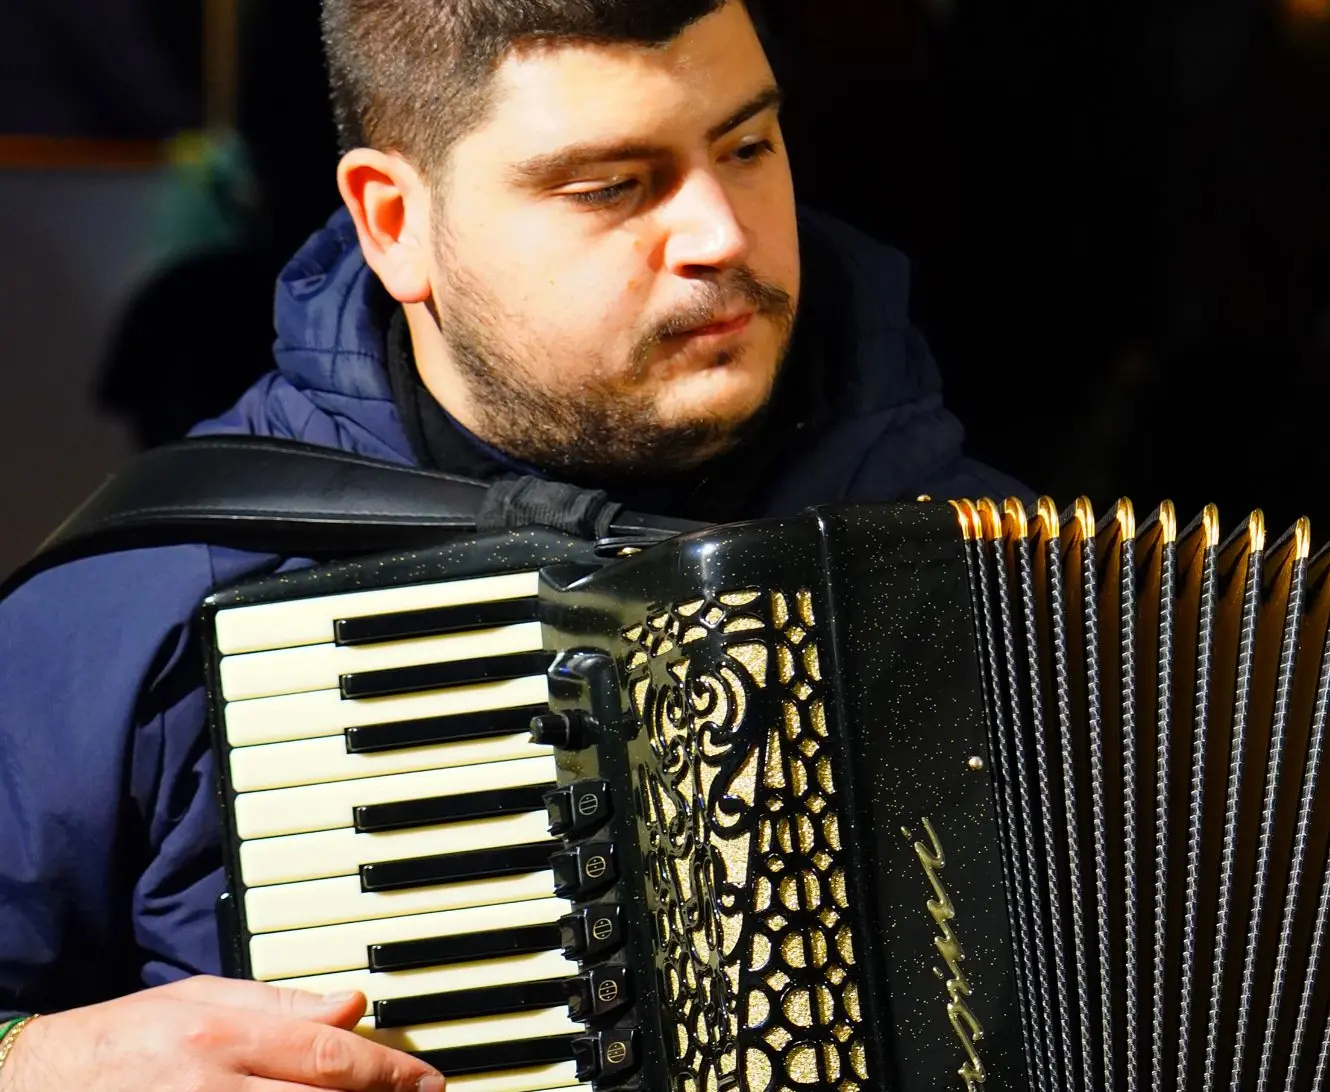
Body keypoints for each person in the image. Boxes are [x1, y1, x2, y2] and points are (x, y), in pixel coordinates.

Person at [0, 1, 1024, 1088]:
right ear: (391, 221)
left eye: (747, 146)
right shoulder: (136, 611)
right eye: (614, 186)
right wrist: (37, 1060)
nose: (722, 234)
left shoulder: (996, 571)